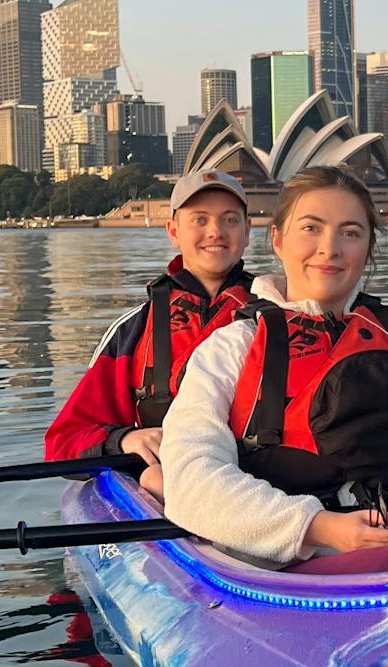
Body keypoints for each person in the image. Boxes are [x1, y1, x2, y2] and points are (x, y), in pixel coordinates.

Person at [159, 165, 388, 572]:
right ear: (277, 240)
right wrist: (319, 527)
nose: (330, 248)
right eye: (311, 228)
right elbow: (191, 474)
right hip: (290, 571)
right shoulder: (231, 349)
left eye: (351, 233)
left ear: (369, 246)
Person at [45, 169, 254, 498]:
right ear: (173, 231)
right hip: (166, 490)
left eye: (230, 220)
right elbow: (64, 442)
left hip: (257, 486)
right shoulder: (133, 330)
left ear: (247, 231)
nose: (215, 231)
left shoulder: (281, 314)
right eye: (199, 220)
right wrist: (123, 440)